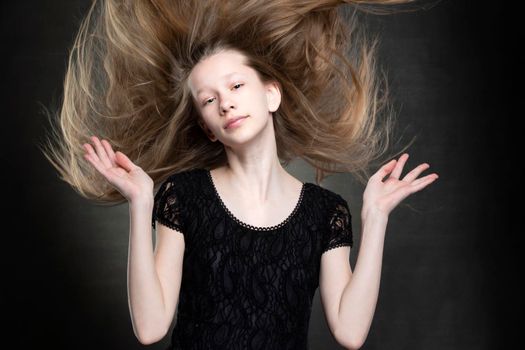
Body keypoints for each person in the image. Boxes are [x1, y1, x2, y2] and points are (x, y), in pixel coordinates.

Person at [40, 0, 439, 349]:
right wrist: (141, 202)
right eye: (210, 100)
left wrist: (375, 217)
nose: (226, 104)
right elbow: (150, 329)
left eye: (236, 86)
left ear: (271, 95)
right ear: (208, 128)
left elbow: (350, 334)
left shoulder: (325, 213)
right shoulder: (184, 196)